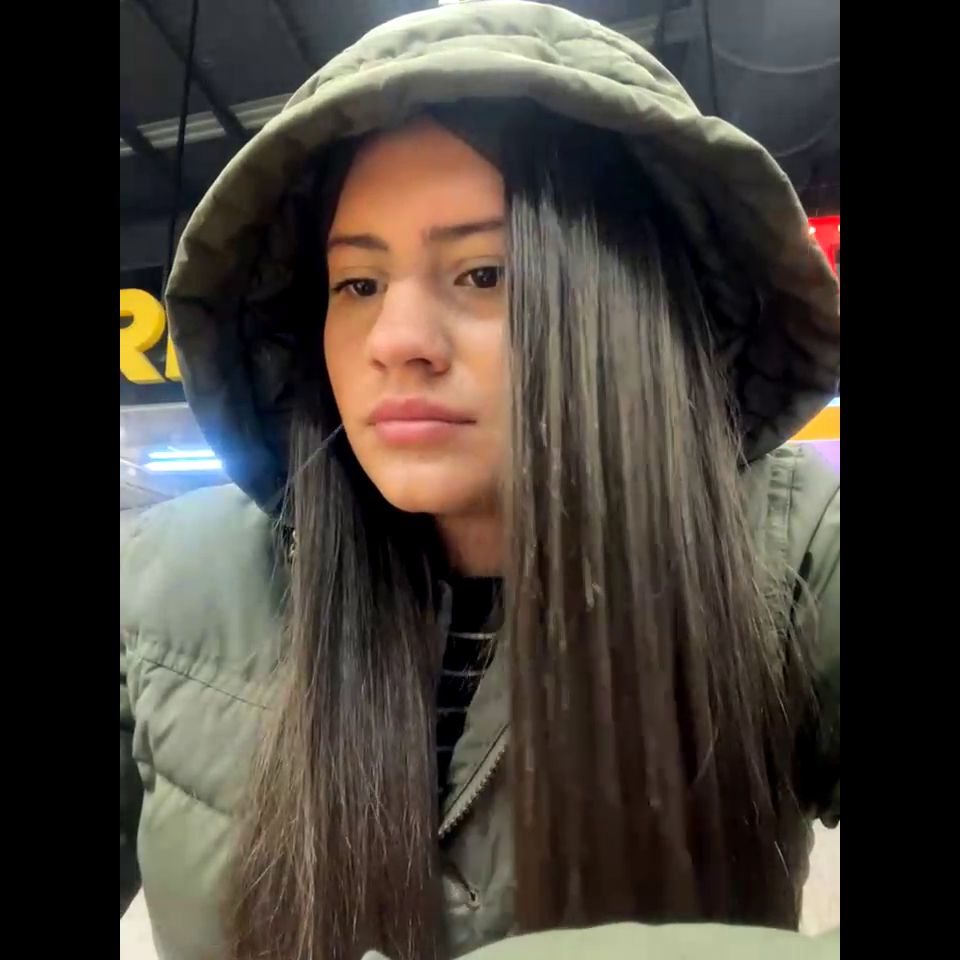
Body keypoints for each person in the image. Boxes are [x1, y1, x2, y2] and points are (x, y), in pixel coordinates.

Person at [119, 3, 840, 959]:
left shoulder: (792, 552)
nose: (396, 342)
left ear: (620, 303)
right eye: (357, 284)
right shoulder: (164, 579)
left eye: (484, 273)